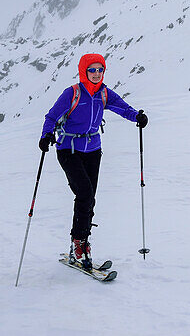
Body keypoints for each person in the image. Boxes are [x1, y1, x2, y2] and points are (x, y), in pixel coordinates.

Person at [39, 52, 148, 269]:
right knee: (85, 194)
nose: (97, 74)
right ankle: (79, 246)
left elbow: (122, 107)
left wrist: (137, 116)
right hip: (69, 150)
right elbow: (51, 117)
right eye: (92, 70)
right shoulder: (72, 93)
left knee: (89, 198)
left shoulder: (104, 93)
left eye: (100, 70)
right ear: (84, 71)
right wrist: (46, 136)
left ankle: (80, 244)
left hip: (93, 150)